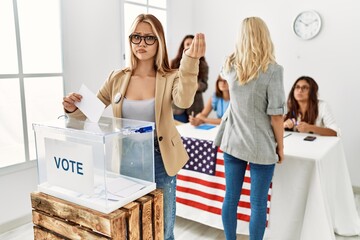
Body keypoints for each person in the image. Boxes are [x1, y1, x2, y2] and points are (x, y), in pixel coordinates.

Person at [62, 14, 206, 240]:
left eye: (149, 38)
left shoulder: (171, 77)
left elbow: (184, 101)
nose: (141, 43)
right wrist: (72, 108)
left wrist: (190, 62)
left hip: (160, 161)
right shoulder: (117, 77)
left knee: (162, 229)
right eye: (136, 37)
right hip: (125, 163)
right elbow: (93, 111)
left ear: (159, 41)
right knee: (132, 229)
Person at [214, 17, 285, 240]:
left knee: (231, 197)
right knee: (258, 203)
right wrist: (280, 147)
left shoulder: (229, 65)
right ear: (265, 36)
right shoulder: (273, 70)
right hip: (261, 145)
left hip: (232, 140)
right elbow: (276, 116)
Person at [171, 34, 209, 123]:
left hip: (195, 107)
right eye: (188, 44)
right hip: (177, 108)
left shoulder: (203, 65)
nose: (190, 46)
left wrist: (196, 85)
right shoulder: (173, 63)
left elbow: (205, 85)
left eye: (192, 44)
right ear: (183, 46)